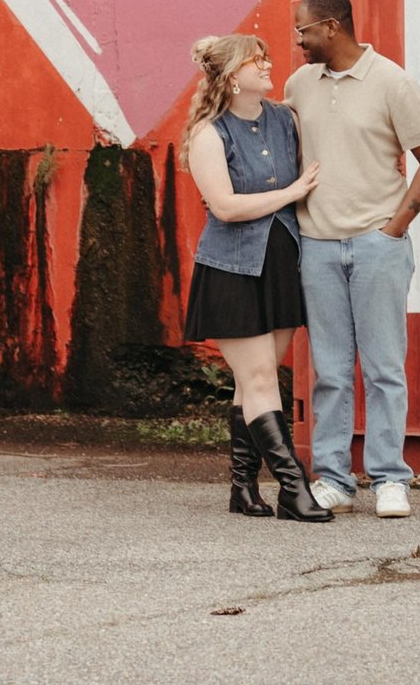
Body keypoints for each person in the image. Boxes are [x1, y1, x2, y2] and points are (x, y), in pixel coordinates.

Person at [287, 0, 420, 519]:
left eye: (304, 30)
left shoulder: (392, 82)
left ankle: (390, 479)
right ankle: (333, 479)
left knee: (383, 369)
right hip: (317, 246)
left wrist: (395, 228)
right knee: (330, 372)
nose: (299, 40)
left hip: (378, 245)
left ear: (332, 27)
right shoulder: (299, 85)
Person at [179, 33, 332, 523]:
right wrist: (291, 193)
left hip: (281, 265)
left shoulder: (285, 120)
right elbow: (224, 207)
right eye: (255, 60)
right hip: (232, 271)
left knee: (252, 383)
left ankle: (243, 488)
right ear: (231, 77)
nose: (267, 64)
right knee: (262, 378)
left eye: (265, 57)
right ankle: (294, 488)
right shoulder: (209, 135)